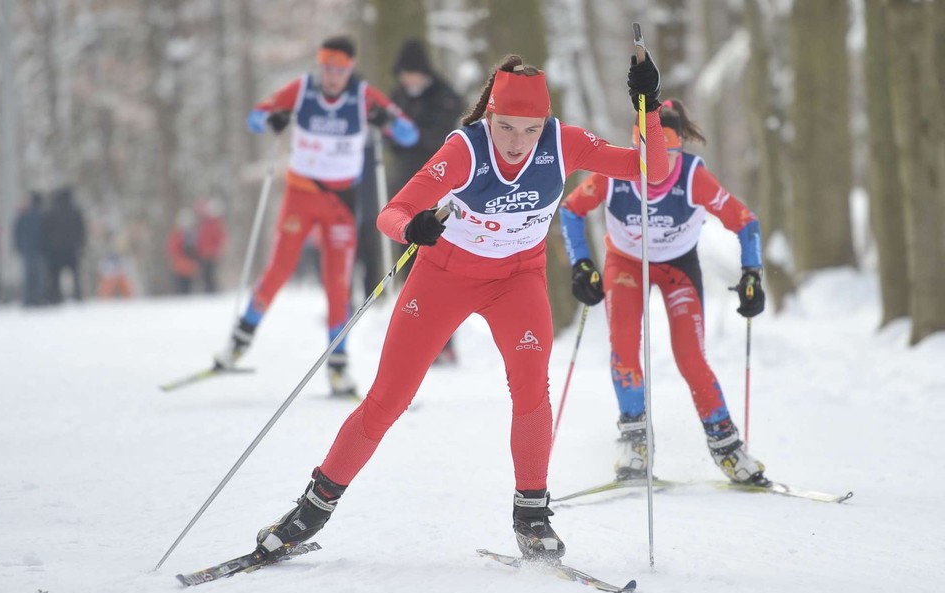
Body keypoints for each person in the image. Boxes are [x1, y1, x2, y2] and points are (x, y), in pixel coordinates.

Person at [251, 52, 668, 564]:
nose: (517, 141)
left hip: (518, 279)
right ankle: (309, 512)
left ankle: (532, 515)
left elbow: (650, 169)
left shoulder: (565, 143)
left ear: (546, 124)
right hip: (444, 277)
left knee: (532, 387)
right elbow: (393, 212)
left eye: (530, 129)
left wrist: (647, 108)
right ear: (489, 117)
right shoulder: (465, 150)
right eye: (506, 127)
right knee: (388, 399)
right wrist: (413, 228)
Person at [558, 98, 767, 485]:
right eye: (645, 155)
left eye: (666, 155)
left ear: (678, 148)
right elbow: (570, 210)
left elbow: (745, 222)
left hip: (677, 268)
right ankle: (635, 443)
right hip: (625, 266)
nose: (655, 168)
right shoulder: (614, 172)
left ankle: (728, 448)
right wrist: (581, 264)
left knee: (690, 357)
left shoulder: (693, 177)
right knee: (623, 347)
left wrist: (752, 272)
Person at [216, 35, 420, 398]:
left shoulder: (362, 96)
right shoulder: (303, 90)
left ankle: (338, 366)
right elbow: (254, 117)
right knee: (279, 269)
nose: (331, 77)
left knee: (337, 284)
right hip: (300, 196)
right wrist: (271, 120)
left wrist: (385, 119)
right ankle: (238, 341)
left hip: (341, 203)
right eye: (326, 68)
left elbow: (408, 133)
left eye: (339, 70)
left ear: (350, 69)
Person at [386, 38, 465, 365]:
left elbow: (443, 137)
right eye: (405, 75)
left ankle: (445, 340)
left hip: (437, 181)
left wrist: (412, 134)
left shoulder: (444, 96)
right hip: (406, 181)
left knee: (437, 262)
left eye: (414, 75)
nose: (410, 82)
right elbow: (390, 137)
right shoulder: (397, 97)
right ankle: (416, 335)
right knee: (408, 258)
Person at [41, 186, 86, 304]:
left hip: (56, 250)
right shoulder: (75, 211)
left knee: (55, 276)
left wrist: (48, 248)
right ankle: (78, 295)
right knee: (75, 274)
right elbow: (81, 230)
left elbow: (45, 232)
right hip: (72, 249)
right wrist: (80, 245)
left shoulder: (51, 212)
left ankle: (55, 297)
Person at [14, 192, 46, 306]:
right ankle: (37, 299)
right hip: (39, 250)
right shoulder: (42, 215)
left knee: (28, 277)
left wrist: (18, 247)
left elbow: (17, 232)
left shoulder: (24, 214)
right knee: (38, 277)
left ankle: (27, 300)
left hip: (27, 250)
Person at [194, 198, 227, 293]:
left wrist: (215, 251)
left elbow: (220, 240)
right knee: (205, 275)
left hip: (212, 255)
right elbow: (201, 239)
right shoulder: (205, 223)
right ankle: (208, 291)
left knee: (211, 275)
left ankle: (212, 291)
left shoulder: (216, 224)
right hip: (204, 254)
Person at [166, 209, 199, 295]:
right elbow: (173, 248)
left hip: (188, 266)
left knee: (188, 286)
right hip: (180, 265)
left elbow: (196, 248)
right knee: (181, 286)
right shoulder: (177, 234)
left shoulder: (191, 234)